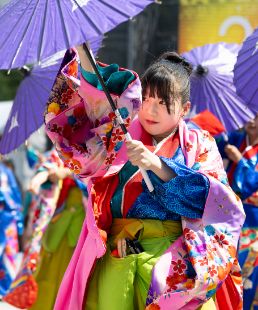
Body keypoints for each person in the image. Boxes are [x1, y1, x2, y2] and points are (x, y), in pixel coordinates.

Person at [44, 47, 245, 310]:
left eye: (163, 102)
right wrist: (84, 57)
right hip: (120, 254)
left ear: (184, 108)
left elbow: (218, 205)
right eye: (147, 98)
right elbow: (90, 114)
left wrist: (158, 166)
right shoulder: (120, 133)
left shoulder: (199, 143)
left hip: (176, 265)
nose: (150, 109)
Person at [217, 114, 258, 310]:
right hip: (227, 216)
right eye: (250, 116)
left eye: (257, 117)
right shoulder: (234, 139)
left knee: (247, 271)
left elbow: (251, 184)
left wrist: (240, 160)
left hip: (253, 221)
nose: (252, 121)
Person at [0, 159, 23, 297]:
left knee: (8, 254)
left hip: (7, 218)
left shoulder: (5, 171)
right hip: (8, 218)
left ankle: (5, 289)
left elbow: (13, 196)